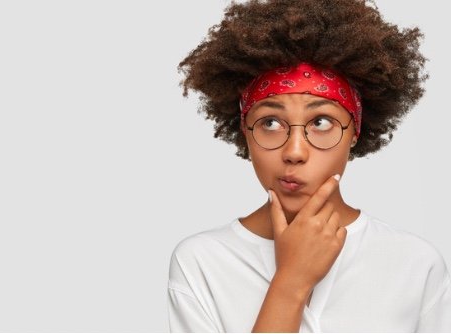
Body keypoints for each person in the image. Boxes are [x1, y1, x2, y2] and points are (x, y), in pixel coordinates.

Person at [167, 0, 450, 332]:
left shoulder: (415, 264)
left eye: (321, 122)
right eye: (270, 123)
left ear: (355, 131)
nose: (295, 151)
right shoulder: (202, 262)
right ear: (245, 131)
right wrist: (291, 282)